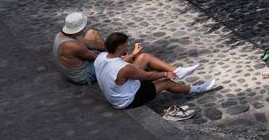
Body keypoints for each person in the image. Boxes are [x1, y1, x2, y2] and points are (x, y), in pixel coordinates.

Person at [53, 10, 197, 86]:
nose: (85, 28)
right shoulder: (72, 46)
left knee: (92, 33)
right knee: (142, 58)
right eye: (83, 26)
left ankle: (125, 55)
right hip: (85, 75)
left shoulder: (64, 35)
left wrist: (115, 49)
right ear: (78, 29)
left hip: (89, 61)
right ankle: (175, 71)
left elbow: (94, 45)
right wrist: (127, 56)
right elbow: (103, 61)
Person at [93, 31, 217, 109]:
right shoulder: (124, 69)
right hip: (126, 100)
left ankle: (178, 71)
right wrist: (165, 74)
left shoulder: (101, 57)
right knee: (166, 82)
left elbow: (120, 61)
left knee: (144, 57)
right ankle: (197, 89)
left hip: (118, 90)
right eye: (125, 45)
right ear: (120, 47)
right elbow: (147, 76)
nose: (127, 47)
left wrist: (133, 54)